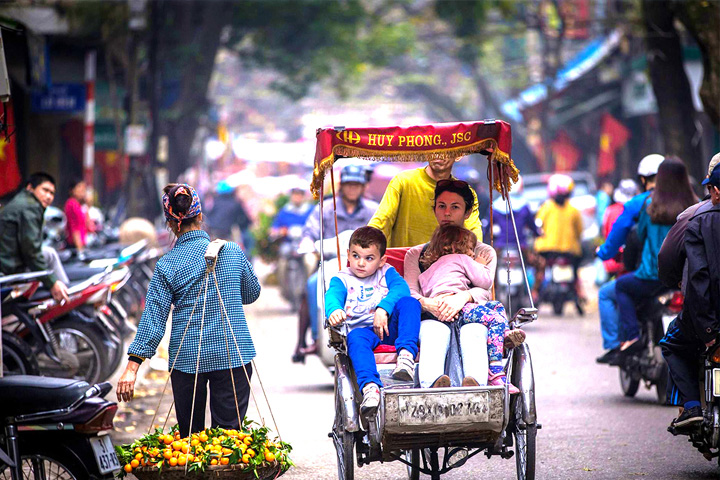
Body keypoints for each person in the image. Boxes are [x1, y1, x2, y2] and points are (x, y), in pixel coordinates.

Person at [116, 183, 261, 437]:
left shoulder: (166, 265)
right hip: (233, 354)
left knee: (190, 443)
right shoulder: (232, 252)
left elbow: (153, 320)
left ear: (170, 224)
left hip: (187, 359)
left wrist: (131, 367)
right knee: (229, 440)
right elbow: (251, 293)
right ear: (201, 216)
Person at [402, 181, 510, 389]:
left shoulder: (484, 252)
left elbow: (485, 291)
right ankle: (432, 385)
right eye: (441, 206)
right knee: (434, 332)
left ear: (468, 212)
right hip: (431, 313)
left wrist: (463, 297)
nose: (447, 213)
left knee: (475, 331)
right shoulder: (416, 255)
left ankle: (476, 386)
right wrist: (430, 304)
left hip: (469, 311)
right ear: (434, 210)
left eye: (455, 207)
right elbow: (411, 293)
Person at [325, 226, 420, 416]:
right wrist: (334, 310)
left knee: (410, 303)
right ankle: (370, 387)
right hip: (364, 333)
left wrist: (383, 308)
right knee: (356, 338)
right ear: (348, 256)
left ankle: (406, 356)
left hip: (390, 328)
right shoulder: (342, 279)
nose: (361, 263)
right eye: (356, 256)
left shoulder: (386, 272)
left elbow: (401, 289)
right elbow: (333, 296)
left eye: (369, 258)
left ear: (381, 260)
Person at [417, 224, 521, 390]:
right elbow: (486, 281)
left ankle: (502, 333)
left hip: (437, 310)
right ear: (454, 247)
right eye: (471, 248)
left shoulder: (427, 271)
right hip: (458, 307)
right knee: (495, 317)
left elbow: (426, 291)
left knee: (494, 306)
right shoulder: (461, 258)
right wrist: (479, 264)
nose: (473, 253)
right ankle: (495, 371)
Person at [293, 164, 379, 362]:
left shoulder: (372, 210)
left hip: (365, 267)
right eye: (349, 184)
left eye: (356, 185)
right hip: (331, 265)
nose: (352, 189)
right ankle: (313, 338)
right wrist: (307, 243)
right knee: (313, 284)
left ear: (363, 186)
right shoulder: (325, 208)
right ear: (342, 186)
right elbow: (310, 232)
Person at [660, 162, 720, 430]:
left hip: (705, 318)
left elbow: (698, 279)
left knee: (672, 343)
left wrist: (708, 330)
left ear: (714, 190)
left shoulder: (696, 218)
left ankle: (692, 407)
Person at [616, 158, 696, 356]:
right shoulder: (696, 204)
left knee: (621, 286)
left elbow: (638, 236)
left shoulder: (650, 204)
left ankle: (632, 335)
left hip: (652, 276)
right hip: (686, 278)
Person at [595, 155, 664, 364]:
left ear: (643, 180)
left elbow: (622, 237)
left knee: (612, 291)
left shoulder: (640, 204)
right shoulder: (689, 201)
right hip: (683, 275)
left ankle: (622, 341)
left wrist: (603, 252)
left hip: (650, 274)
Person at [368, 158, 483, 247]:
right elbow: (382, 221)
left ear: (459, 155)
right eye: (434, 149)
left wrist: (480, 254)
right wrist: (366, 245)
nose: (438, 155)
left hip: (446, 269)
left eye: (446, 150)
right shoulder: (403, 181)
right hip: (401, 268)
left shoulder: (465, 192)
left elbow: (474, 231)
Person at [0, 172, 69, 303]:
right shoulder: (30, 207)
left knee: (49, 253)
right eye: (45, 190)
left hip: (12, 262)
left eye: (52, 193)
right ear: (30, 188)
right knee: (49, 255)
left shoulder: (25, 202)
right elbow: (31, 252)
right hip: (9, 268)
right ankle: (65, 296)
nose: (48, 196)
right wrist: (53, 282)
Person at [595, 179, 639, 364]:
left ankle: (617, 343)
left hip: (641, 274)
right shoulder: (685, 205)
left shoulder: (627, 210)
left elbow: (611, 243)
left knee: (608, 292)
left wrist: (603, 253)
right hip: (671, 276)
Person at [533, 174, 585, 303]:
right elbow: (579, 231)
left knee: (540, 270)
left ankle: (534, 292)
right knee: (574, 273)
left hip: (547, 249)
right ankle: (579, 294)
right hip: (570, 250)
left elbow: (538, 225)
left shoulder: (546, 207)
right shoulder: (573, 210)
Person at [64, 179, 89, 252]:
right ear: (72, 190)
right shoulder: (72, 204)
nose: (82, 190)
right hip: (75, 244)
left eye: (84, 188)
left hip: (81, 242)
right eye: (79, 187)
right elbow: (74, 228)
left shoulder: (79, 205)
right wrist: (80, 250)